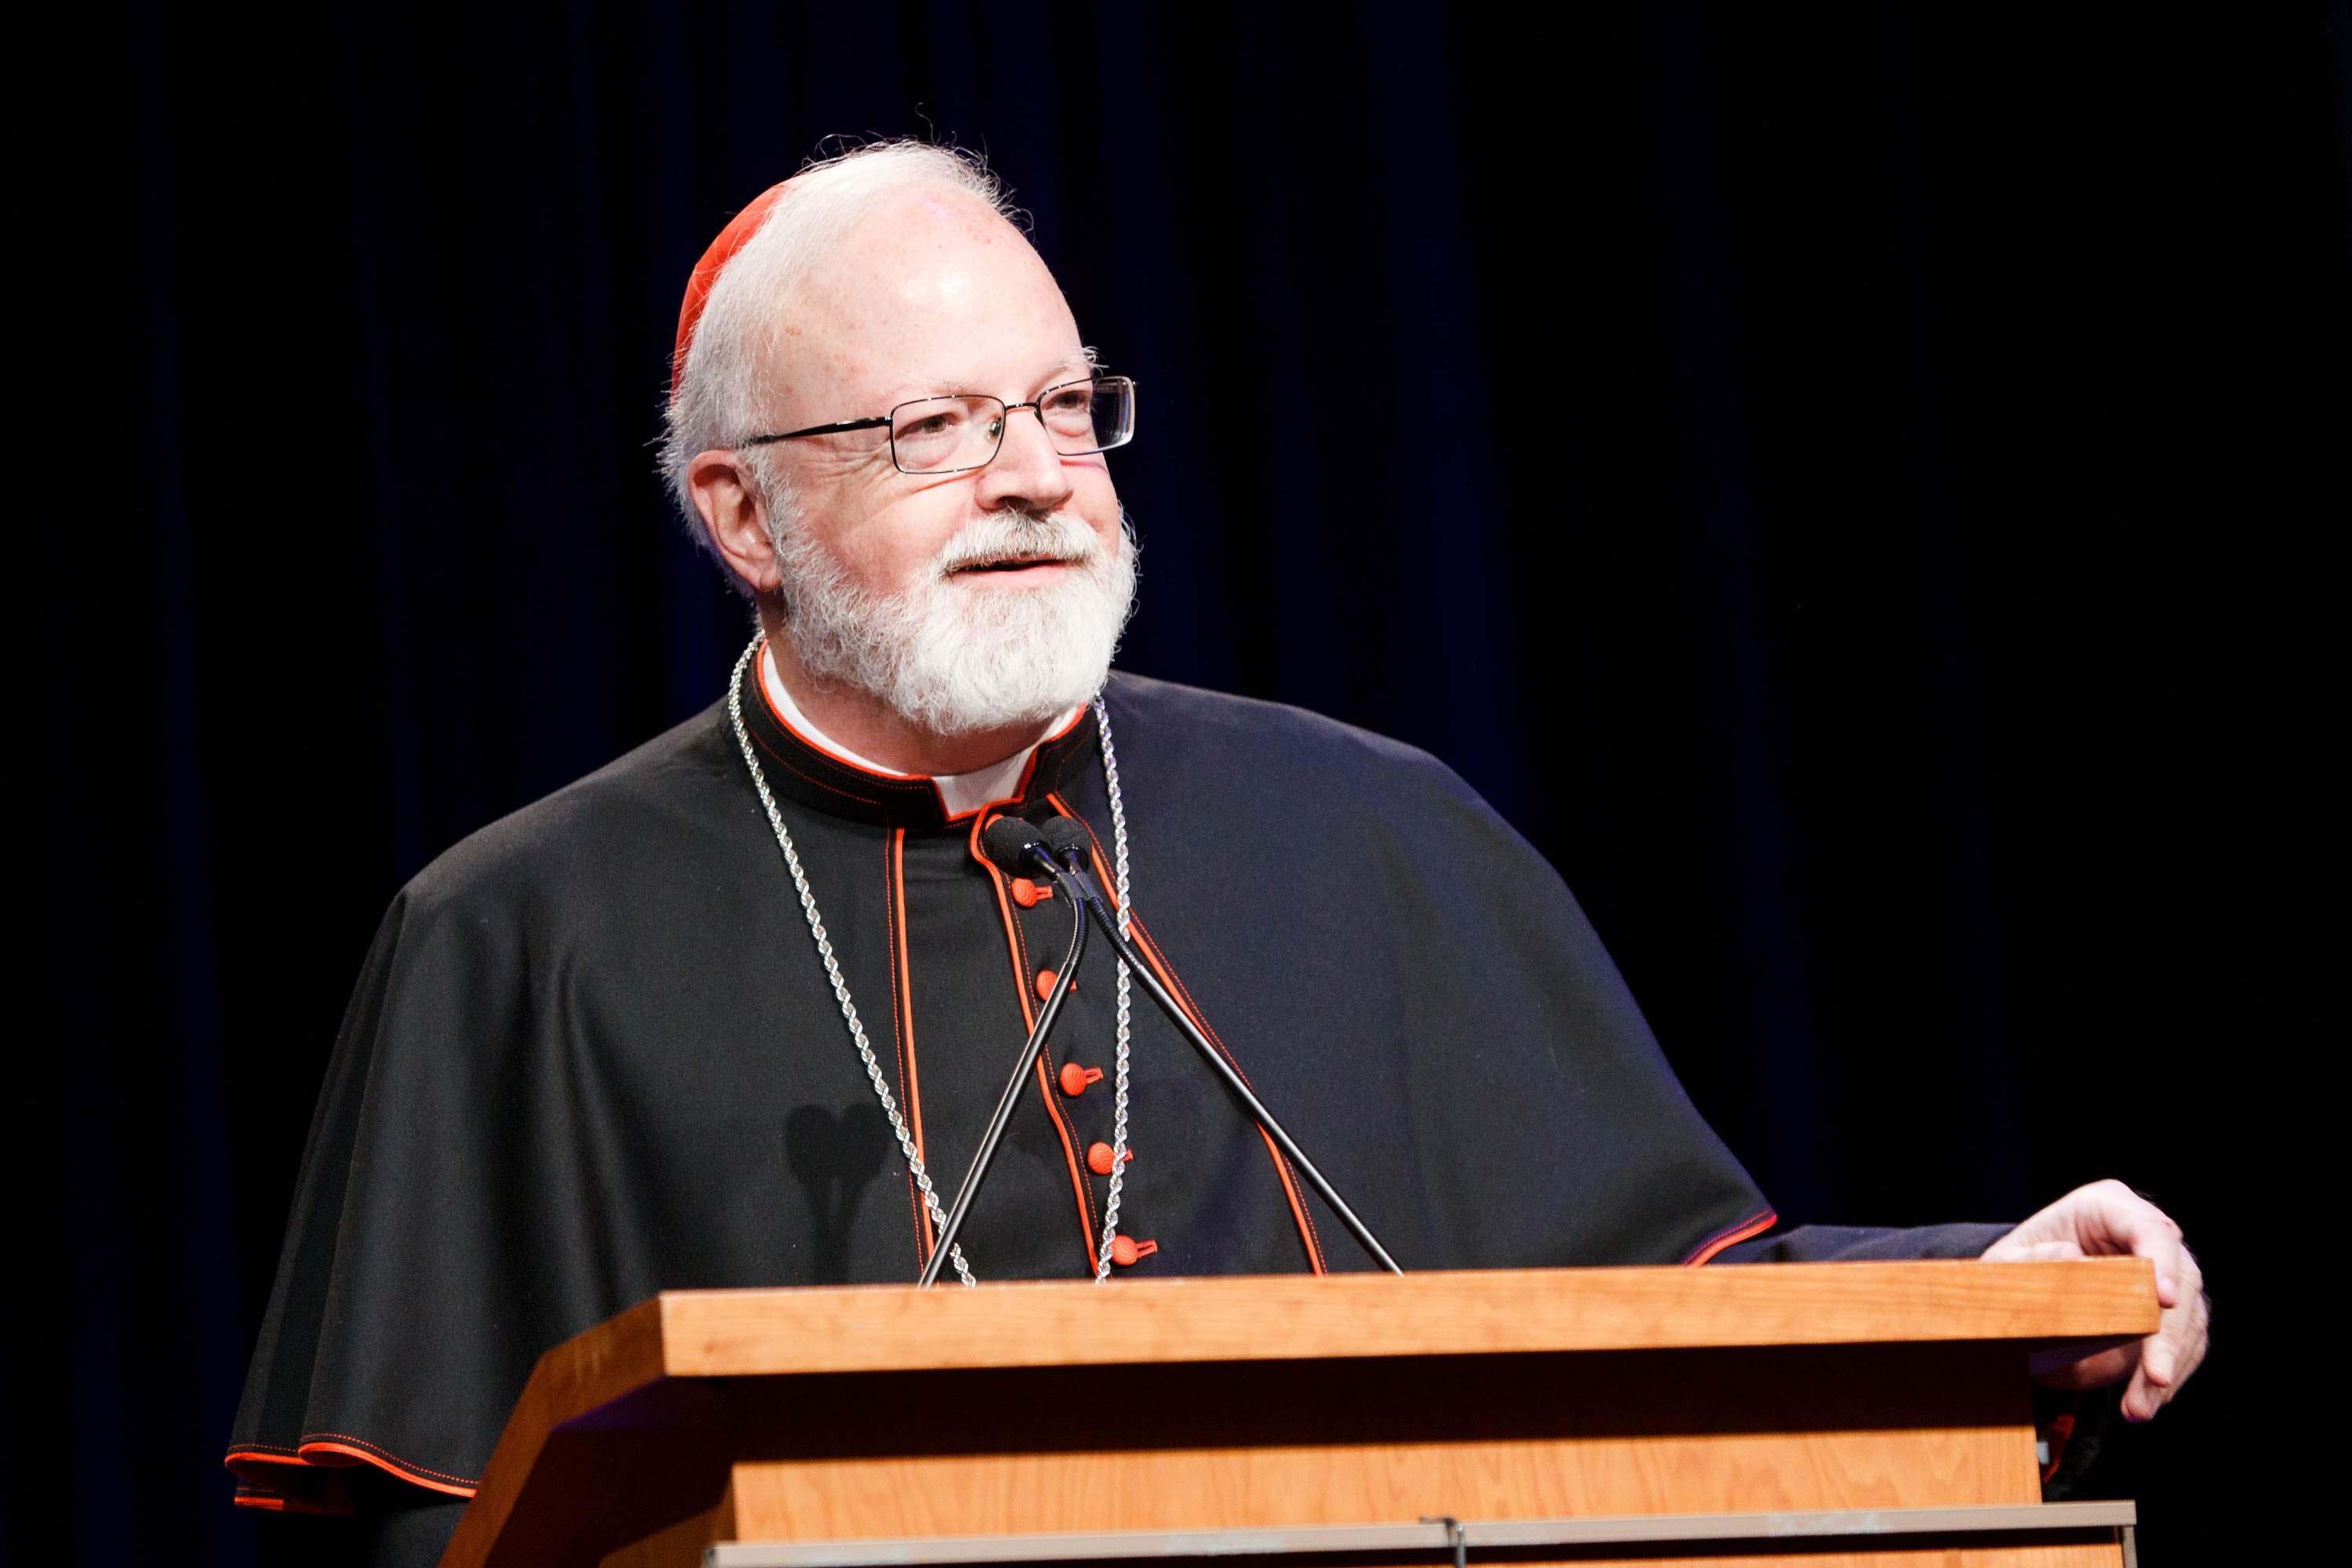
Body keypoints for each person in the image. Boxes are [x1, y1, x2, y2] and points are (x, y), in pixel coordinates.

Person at [226, 142, 2206, 1564]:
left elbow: (1662, 1303)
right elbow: (437, 1520)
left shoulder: (1376, 831)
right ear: (741, 512)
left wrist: (1984, 1280)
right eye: (935, 427)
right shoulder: (520, 939)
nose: (1032, 474)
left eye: (1066, 410)